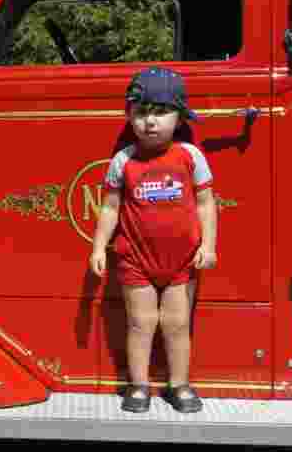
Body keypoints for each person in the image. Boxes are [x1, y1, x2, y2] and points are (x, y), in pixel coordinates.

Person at [89, 67, 217, 413]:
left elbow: (206, 204)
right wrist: (99, 246)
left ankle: (179, 384)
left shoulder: (191, 156)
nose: (150, 121)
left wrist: (208, 246)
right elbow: (110, 207)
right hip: (134, 260)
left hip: (182, 261)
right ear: (130, 116)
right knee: (140, 323)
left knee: (176, 324)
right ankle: (139, 385)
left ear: (179, 117)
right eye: (141, 112)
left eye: (160, 112)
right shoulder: (124, 160)